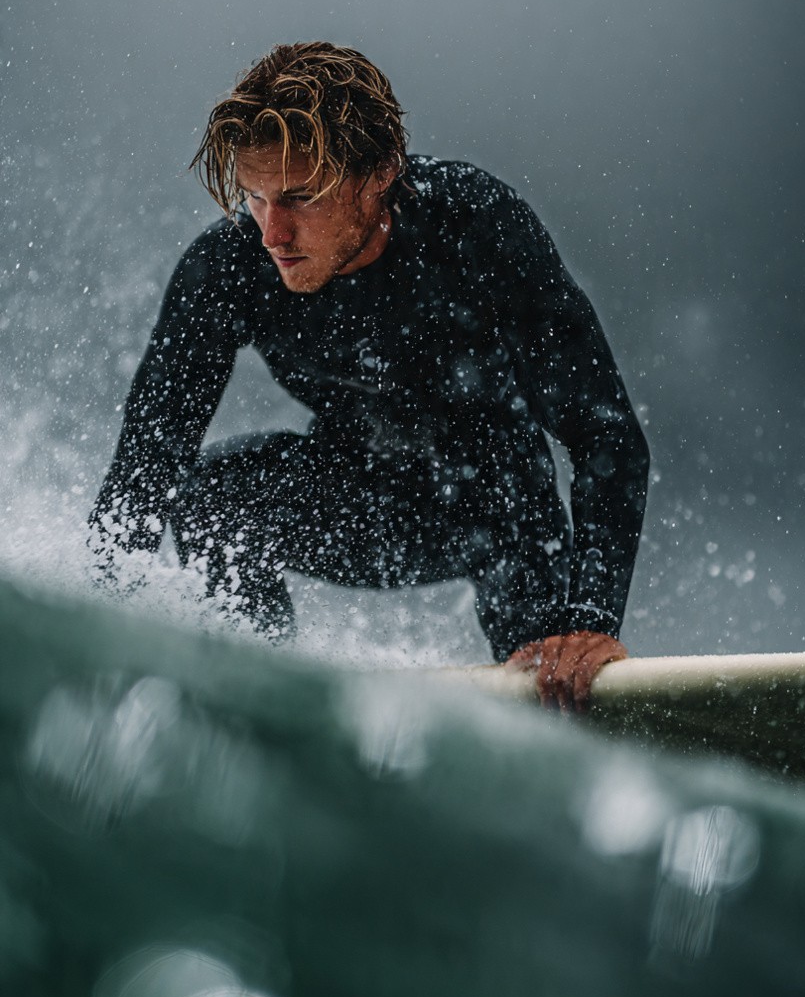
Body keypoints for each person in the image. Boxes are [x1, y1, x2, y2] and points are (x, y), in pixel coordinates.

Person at [90, 42, 649, 710]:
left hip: (495, 508)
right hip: (354, 492)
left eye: (300, 198)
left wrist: (590, 623)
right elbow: (146, 464)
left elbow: (604, 433)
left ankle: (564, 698)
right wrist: (96, 630)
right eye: (256, 198)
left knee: (556, 679)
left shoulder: (476, 226)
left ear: (379, 173)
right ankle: (257, 696)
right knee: (211, 501)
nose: (273, 233)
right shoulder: (230, 268)